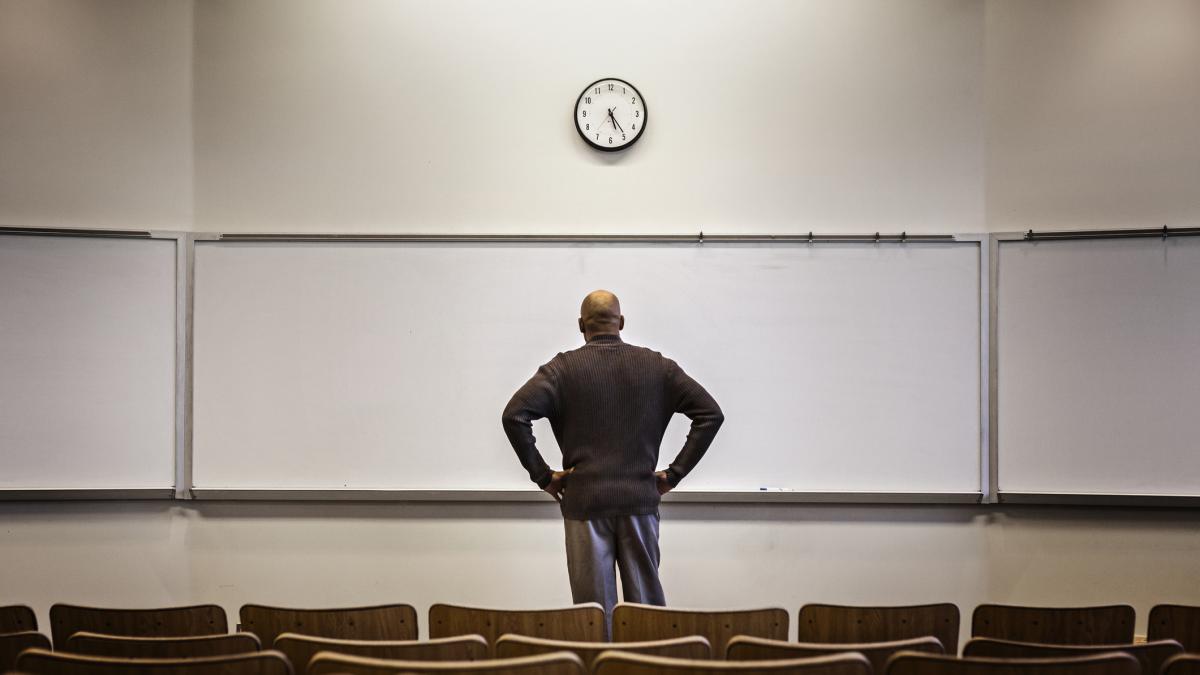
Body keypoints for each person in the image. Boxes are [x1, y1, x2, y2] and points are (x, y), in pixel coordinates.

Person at [501, 290, 723, 628]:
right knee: (646, 614)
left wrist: (544, 477)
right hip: (640, 501)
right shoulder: (658, 367)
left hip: (584, 504)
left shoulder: (561, 369)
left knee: (593, 617)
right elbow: (710, 414)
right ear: (621, 322)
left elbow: (514, 415)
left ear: (581, 325)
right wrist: (674, 474)